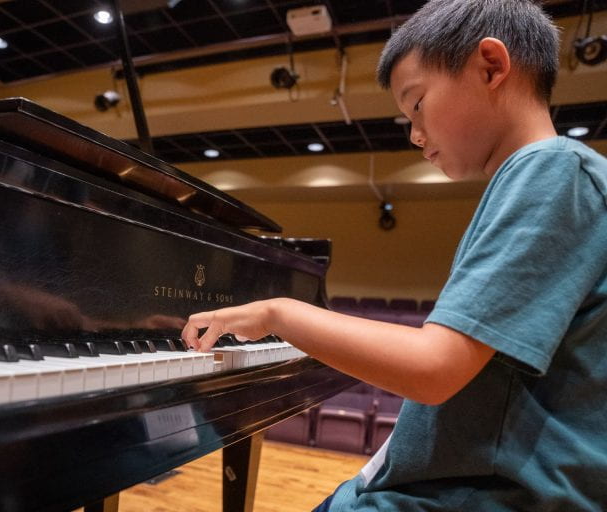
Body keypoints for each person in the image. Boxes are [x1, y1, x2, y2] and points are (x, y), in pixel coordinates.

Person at [181, 0, 607, 510]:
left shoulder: (552, 170)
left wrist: (279, 312)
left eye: (418, 103)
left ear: (490, 66)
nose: (414, 135)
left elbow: (433, 370)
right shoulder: (558, 175)